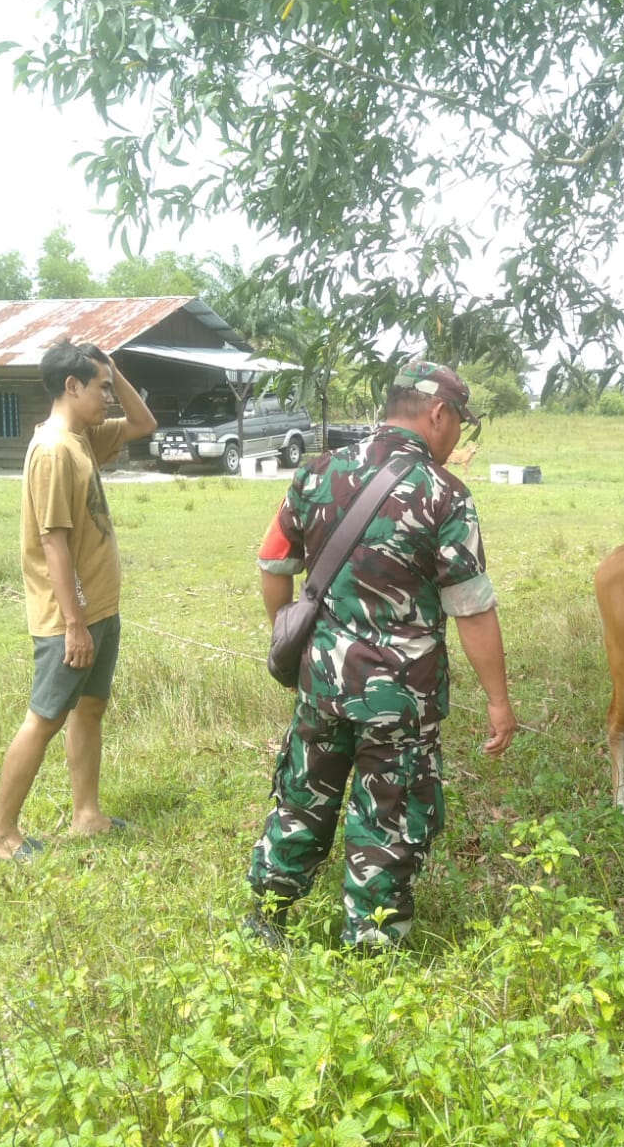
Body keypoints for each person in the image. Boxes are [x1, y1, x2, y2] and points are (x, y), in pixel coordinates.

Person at [247, 359, 518, 950]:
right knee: (389, 817)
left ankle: (268, 916)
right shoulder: (444, 495)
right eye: (457, 424)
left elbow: (273, 565)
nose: (455, 439)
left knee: (303, 795)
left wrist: (293, 639)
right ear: (438, 414)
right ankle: (372, 951)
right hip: (400, 699)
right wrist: (499, 702)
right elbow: (471, 609)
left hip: (321, 683)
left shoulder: (317, 470)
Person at [0, 340, 158, 861]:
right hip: (69, 618)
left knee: (90, 709)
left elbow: (144, 424)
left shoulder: (82, 439)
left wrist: (115, 370)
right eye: (101, 388)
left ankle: (88, 814)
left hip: (99, 607)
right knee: (45, 717)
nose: (109, 398)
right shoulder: (55, 450)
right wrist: (74, 624)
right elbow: (53, 541)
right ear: (71, 386)